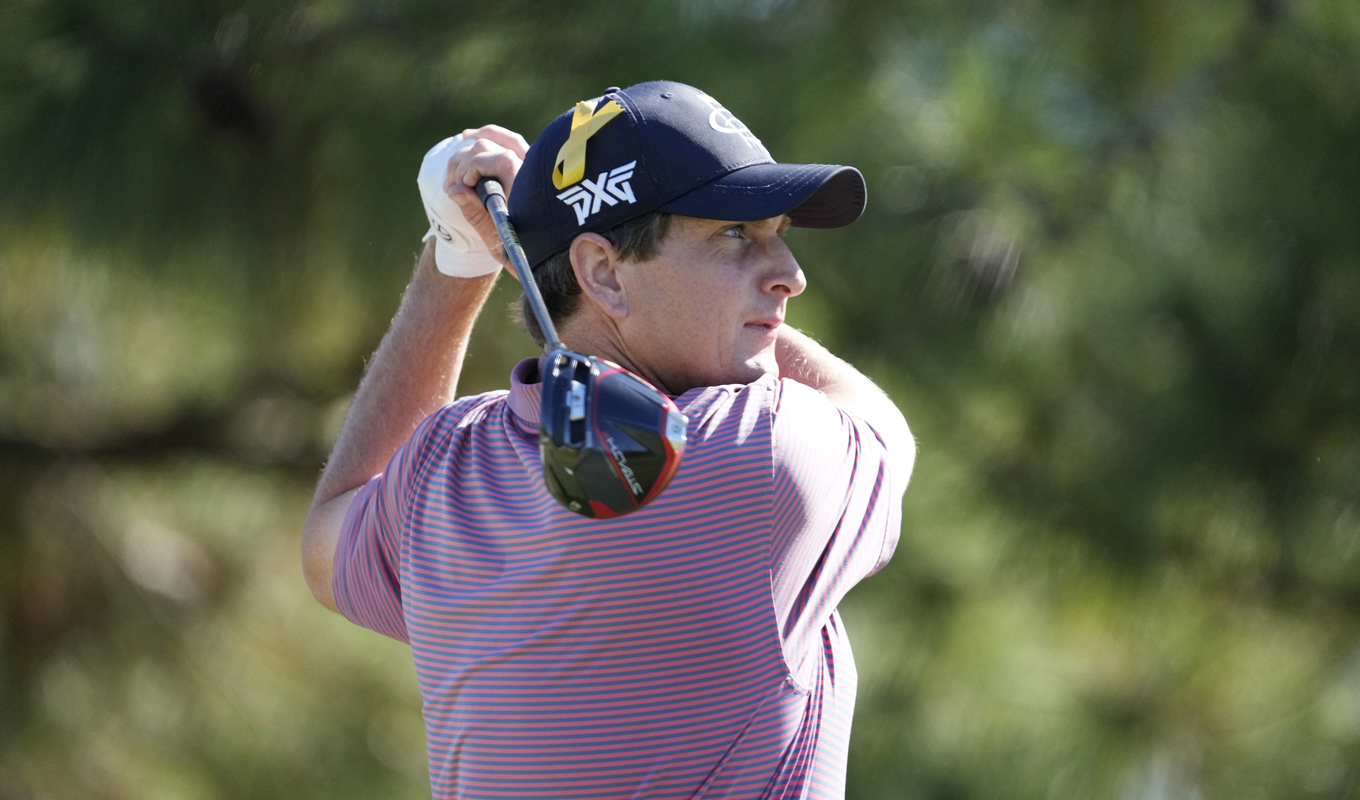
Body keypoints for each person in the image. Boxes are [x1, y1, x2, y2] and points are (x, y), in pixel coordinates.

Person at [301, 80, 915, 800]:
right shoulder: (757, 460)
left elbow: (328, 534)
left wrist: (457, 257)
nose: (790, 275)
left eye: (776, 233)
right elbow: (882, 427)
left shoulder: (441, 467)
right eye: (735, 236)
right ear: (602, 272)